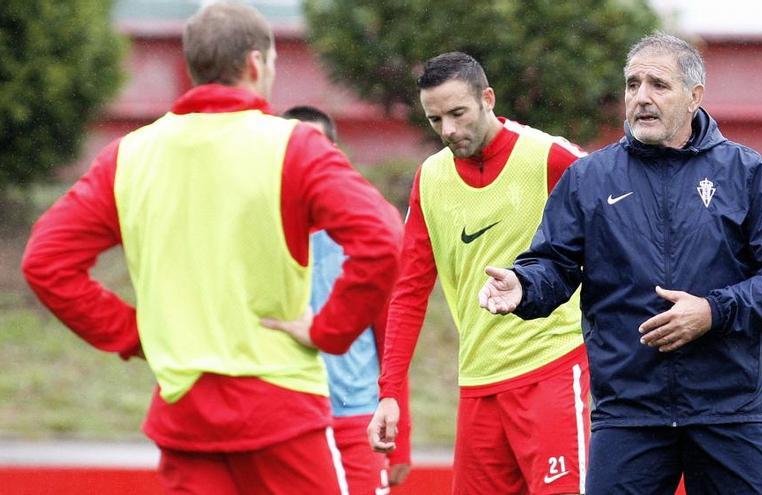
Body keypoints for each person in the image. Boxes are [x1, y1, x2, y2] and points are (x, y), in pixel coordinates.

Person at [21, 3, 402, 494]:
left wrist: (136, 335)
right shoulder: (294, 147)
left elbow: (45, 262)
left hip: (185, 414)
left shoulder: (131, 155)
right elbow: (382, 237)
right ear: (255, 64)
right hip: (281, 409)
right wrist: (331, 331)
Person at [479, 32, 762, 495]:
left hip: (731, 411)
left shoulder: (745, 173)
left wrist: (712, 312)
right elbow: (554, 263)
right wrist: (524, 284)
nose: (641, 98)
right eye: (633, 84)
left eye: (658, 84)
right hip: (629, 411)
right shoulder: (589, 179)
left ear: (694, 97)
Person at [368, 52, 590, 495]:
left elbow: (624, 222)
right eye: (435, 119)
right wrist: (389, 391)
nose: (448, 130)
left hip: (553, 369)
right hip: (478, 385)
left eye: (458, 113)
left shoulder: (550, 156)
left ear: (487, 98)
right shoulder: (430, 179)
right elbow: (409, 291)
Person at [281, 105, 412, 493]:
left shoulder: (368, 229)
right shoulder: (259, 228)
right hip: (286, 420)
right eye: (293, 149)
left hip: (356, 417)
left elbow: (391, 332)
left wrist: (400, 435)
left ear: (334, 154)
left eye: (316, 147)